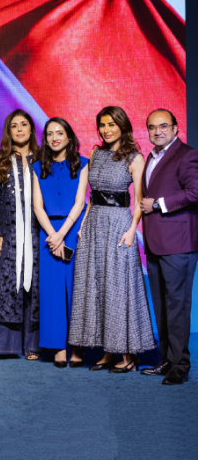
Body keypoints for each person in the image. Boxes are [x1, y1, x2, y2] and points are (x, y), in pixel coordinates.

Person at [69, 106, 155, 373]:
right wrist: (83, 224)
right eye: (102, 125)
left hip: (119, 223)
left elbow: (140, 199)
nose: (106, 130)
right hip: (94, 223)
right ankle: (108, 351)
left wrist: (132, 231)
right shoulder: (95, 154)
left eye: (111, 124)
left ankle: (129, 355)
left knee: (119, 288)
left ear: (122, 126)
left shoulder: (135, 157)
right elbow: (91, 196)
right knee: (96, 287)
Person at [139, 109, 198, 385]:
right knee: (161, 305)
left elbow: (195, 192)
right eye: (152, 127)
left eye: (163, 126)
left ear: (176, 128)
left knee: (177, 306)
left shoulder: (187, 154)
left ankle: (180, 365)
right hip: (155, 243)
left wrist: (158, 204)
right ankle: (166, 360)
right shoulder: (152, 156)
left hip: (178, 244)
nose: (157, 131)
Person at [0, 110, 41, 363]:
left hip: (38, 234)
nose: (19, 129)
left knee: (34, 287)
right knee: (4, 287)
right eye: (14, 126)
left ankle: (32, 345)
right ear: (9, 131)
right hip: (8, 233)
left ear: (31, 129)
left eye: (24, 125)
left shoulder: (43, 158)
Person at [33, 118, 89, 368]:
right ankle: (57, 346)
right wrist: (52, 234)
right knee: (52, 291)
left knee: (76, 289)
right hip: (48, 231)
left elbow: (79, 203)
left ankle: (76, 346)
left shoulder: (84, 164)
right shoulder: (36, 167)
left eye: (60, 133)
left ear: (69, 137)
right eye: (49, 134)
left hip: (73, 230)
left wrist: (61, 234)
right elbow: (37, 206)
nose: (54, 138)